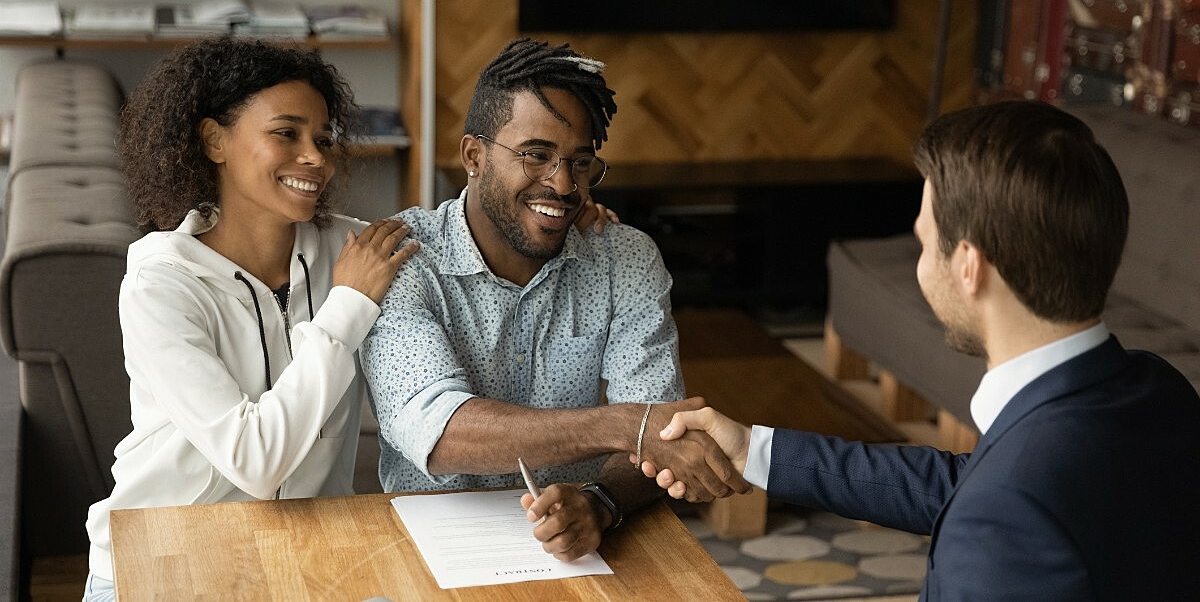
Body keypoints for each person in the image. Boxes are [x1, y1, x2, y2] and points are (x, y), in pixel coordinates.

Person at [642, 100, 1200, 600]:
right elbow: (970, 485)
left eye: (924, 241)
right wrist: (753, 452)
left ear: (969, 266)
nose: (918, 262)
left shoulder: (1004, 517)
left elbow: (997, 502)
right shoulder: (1159, 389)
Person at [360, 38, 748, 562]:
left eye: (580, 162)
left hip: (587, 552)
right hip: (433, 551)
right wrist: (626, 426)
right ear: (474, 156)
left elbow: (663, 434)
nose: (564, 184)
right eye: (537, 155)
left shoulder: (624, 258)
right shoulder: (401, 260)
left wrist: (601, 503)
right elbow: (440, 433)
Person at [82, 36, 421, 601]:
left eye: (323, 139)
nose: (315, 157)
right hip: (164, 561)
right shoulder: (161, 283)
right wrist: (348, 307)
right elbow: (254, 461)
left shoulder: (350, 248)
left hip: (303, 559)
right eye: (286, 133)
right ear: (215, 140)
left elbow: (459, 244)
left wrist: (567, 223)